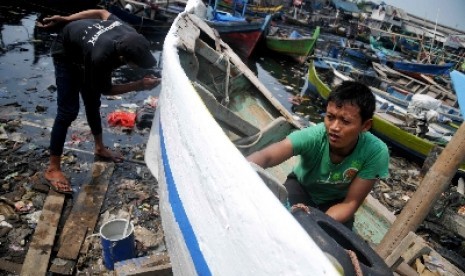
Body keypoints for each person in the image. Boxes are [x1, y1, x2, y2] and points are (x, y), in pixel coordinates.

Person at [37, 9, 161, 194]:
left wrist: (67, 16)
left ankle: (99, 147)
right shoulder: (100, 57)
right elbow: (107, 89)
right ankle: (53, 169)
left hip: (83, 44)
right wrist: (139, 85)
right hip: (66, 52)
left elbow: (101, 12)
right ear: (123, 58)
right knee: (68, 111)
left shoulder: (128, 31)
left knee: (92, 101)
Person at [247, 81, 389, 229]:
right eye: (330, 117)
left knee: (335, 244)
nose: (334, 127)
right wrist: (238, 167)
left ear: (365, 126)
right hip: (302, 187)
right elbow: (267, 156)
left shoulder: (376, 152)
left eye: (345, 121)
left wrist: (314, 221)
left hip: (337, 202)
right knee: (277, 221)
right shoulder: (314, 136)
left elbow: (350, 203)